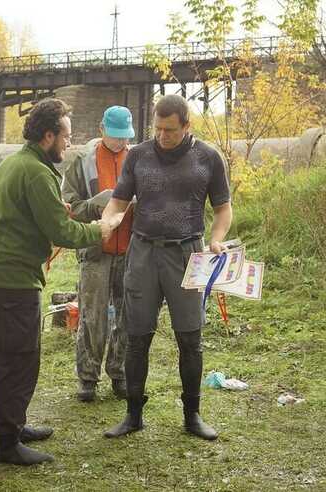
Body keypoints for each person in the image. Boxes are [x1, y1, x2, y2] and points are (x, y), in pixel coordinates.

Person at [0, 98, 115, 465]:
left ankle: (14, 424)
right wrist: (99, 228)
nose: (69, 144)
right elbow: (61, 231)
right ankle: (8, 442)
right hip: (13, 280)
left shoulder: (18, 163)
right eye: (66, 136)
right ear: (48, 135)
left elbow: (30, 214)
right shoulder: (36, 172)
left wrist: (58, 209)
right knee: (18, 359)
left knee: (8, 356)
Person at [100, 94, 232, 442]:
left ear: (187, 125)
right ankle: (133, 415)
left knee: (190, 339)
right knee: (136, 336)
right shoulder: (139, 156)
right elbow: (118, 199)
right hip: (143, 253)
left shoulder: (208, 158)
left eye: (170, 130)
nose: (162, 136)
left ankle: (192, 416)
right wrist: (108, 221)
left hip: (188, 254)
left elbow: (223, 210)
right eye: (157, 129)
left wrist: (217, 240)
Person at [62, 106, 135, 402]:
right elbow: (68, 207)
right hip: (95, 251)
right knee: (93, 317)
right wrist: (96, 204)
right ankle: (88, 379)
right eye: (115, 137)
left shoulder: (138, 159)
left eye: (124, 138)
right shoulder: (81, 162)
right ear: (101, 129)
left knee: (128, 317)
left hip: (131, 251)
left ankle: (119, 375)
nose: (120, 143)